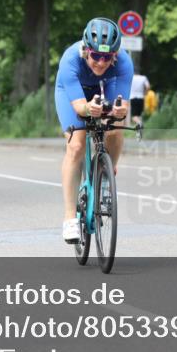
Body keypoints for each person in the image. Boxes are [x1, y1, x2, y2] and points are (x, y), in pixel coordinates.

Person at [55, 17, 132, 244]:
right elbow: (80, 107)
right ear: (86, 50)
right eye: (96, 55)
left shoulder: (124, 63)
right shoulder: (70, 60)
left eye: (107, 57)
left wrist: (117, 112)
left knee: (116, 129)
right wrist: (89, 108)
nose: (100, 62)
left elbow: (123, 105)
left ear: (115, 56)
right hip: (71, 92)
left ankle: (106, 176)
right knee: (76, 144)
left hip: (105, 87)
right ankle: (70, 218)